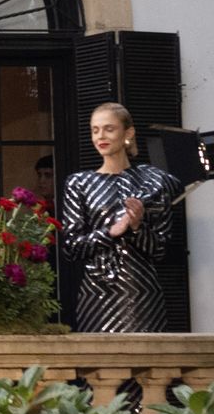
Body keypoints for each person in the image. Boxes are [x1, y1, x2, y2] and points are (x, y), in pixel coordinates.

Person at [62, 102, 183, 334]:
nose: (100, 136)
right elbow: (71, 248)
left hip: (142, 291)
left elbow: (160, 250)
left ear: (128, 133)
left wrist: (137, 227)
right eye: (95, 130)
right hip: (96, 292)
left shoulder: (153, 182)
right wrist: (110, 232)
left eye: (109, 129)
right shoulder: (79, 183)